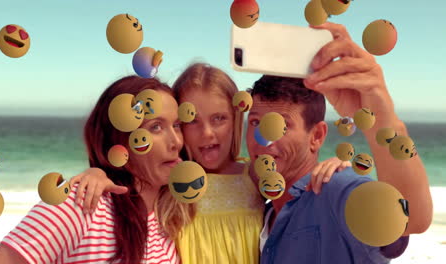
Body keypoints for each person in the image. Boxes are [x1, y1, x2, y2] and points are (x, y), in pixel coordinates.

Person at [70, 63, 351, 264]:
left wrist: (332, 166)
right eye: (191, 122)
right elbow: (131, 179)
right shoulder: (172, 180)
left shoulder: (253, 175)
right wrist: (98, 172)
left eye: (219, 118)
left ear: (236, 120)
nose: (207, 133)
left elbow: (295, 191)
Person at [244, 22, 433, 263]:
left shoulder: (335, 190)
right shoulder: (266, 212)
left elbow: (411, 218)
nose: (263, 138)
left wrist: (381, 117)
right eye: (255, 123)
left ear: (317, 137)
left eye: (281, 125)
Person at [0, 76, 195, 264]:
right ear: (119, 140)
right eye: (155, 127)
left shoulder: (172, 215)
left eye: (176, 125)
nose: (176, 141)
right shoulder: (79, 204)